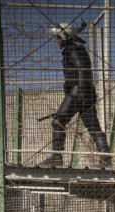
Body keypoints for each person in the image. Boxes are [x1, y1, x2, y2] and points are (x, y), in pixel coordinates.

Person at [41, 22, 110, 168]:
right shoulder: (76, 49)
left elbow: (83, 68)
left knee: (58, 122)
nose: (57, 40)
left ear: (63, 37)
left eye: (58, 37)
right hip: (85, 92)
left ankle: (56, 157)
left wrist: (79, 91)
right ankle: (106, 158)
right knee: (92, 126)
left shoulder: (72, 49)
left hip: (78, 92)